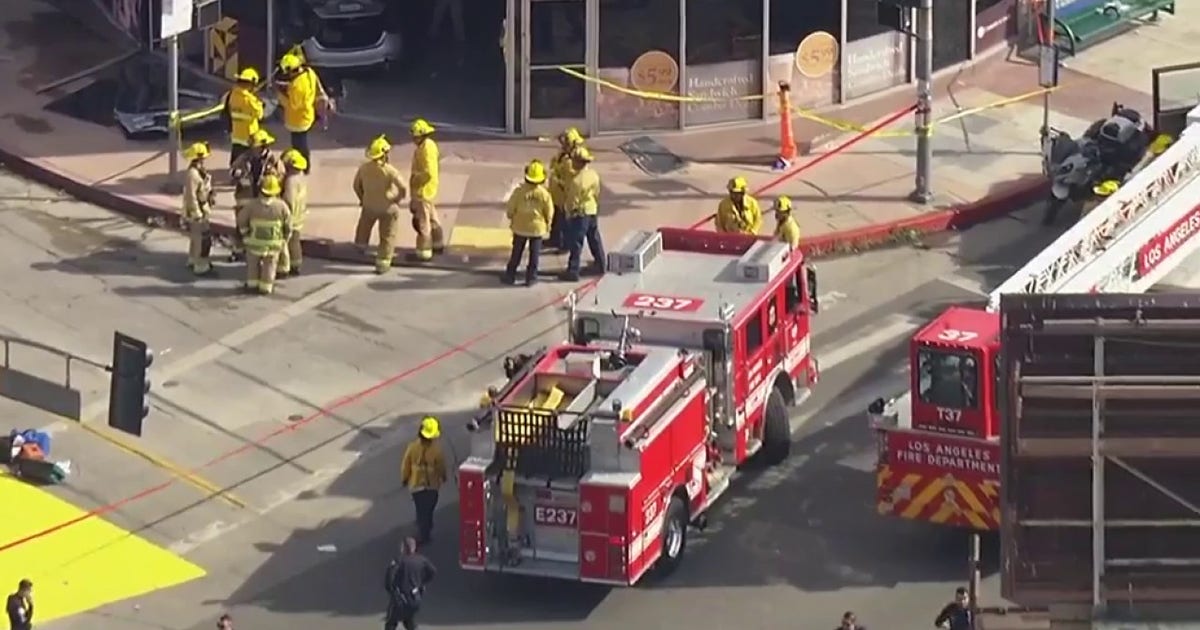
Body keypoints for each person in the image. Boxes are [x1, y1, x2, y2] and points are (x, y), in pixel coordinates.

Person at [353, 135, 408, 274]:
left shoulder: (363, 168)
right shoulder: (390, 170)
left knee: (364, 226)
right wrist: (396, 199)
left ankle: (360, 246)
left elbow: (356, 185)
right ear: (384, 154)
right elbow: (403, 188)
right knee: (388, 235)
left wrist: (363, 198)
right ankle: (383, 262)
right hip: (387, 207)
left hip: (369, 205)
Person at [230, 129, 285, 262]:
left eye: (255, 147)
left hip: (263, 198)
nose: (253, 149)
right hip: (245, 198)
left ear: (263, 146)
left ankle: (260, 254)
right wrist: (239, 175)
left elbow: (281, 176)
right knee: (241, 225)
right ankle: (238, 251)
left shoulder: (273, 160)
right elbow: (233, 172)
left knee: (261, 226)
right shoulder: (244, 158)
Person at [238, 174, 292, 295]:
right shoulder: (281, 206)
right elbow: (288, 225)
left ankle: (252, 285)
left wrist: (245, 233)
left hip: (254, 243)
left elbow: (241, 219)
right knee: (270, 266)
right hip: (273, 244)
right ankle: (266, 287)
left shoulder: (252, 205)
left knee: (253, 265)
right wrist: (285, 238)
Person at [502, 160, 554, 286]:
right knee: (534, 255)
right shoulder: (544, 194)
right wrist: (548, 223)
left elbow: (510, 208)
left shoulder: (519, 192)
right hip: (537, 229)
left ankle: (510, 275)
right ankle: (531, 278)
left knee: (517, 252)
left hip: (520, 227)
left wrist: (511, 217)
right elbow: (549, 211)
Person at [559, 147, 604, 282]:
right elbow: (596, 192)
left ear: (578, 162)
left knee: (576, 242)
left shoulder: (576, 181)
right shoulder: (593, 175)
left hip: (580, 213)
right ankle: (601, 264)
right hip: (592, 210)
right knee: (594, 237)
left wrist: (568, 213)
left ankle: (573, 271)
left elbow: (572, 200)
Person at [401, 416, 447, 545]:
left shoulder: (412, 447)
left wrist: (404, 478)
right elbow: (441, 467)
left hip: (416, 485)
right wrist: (443, 476)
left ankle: (423, 527)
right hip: (432, 486)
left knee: (421, 508)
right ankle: (425, 530)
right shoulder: (437, 450)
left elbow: (406, 465)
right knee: (428, 509)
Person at [408, 119, 445, 263]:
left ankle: (424, 252)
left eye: (415, 136)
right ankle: (438, 244)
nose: (413, 139)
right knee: (433, 218)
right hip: (428, 190)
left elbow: (427, 172)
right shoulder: (429, 146)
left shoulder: (425, 149)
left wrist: (415, 180)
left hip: (423, 191)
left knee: (423, 223)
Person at [275, 53, 319, 173]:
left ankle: (303, 166)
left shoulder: (297, 87)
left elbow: (293, 105)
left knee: (299, 144)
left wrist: (280, 95)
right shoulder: (309, 72)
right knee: (301, 142)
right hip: (307, 114)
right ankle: (304, 165)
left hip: (298, 120)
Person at [383, 537, 437, 630]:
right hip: (415, 598)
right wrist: (421, 583)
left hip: (400, 599)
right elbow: (433, 571)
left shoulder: (399, 560)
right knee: (409, 620)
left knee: (391, 623)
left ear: (403, 548)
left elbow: (389, 576)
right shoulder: (421, 560)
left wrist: (391, 590)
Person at [181, 141, 217, 276]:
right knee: (201, 239)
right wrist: (197, 213)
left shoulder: (199, 171)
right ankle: (200, 265)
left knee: (196, 237)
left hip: (202, 207)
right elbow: (191, 196)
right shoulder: (193, 174)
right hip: (197, 210)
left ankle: (193, 259)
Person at [547, 127, 584, 250]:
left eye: (565, 141)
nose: (562, 144)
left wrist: (559, 180)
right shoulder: (563, 154)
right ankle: (554, 239)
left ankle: (565, 245)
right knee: (557, 219)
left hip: (564, 194)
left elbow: (572, 177)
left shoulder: (574, 157)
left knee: (565, 223)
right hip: (556, 193)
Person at [277, 149, 309, 277]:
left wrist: (283, 213)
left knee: (284, 243)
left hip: (291, 216)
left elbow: (288, 200)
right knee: (295, 242)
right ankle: (296, 264)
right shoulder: (301, 178)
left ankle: (283, 268)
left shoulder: (290, 181)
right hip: (299, 215)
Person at [225, 67, 264, 168]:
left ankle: (234, 173)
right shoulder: (250, 99)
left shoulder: (232, 94)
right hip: (249, 134)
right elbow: (259, 115)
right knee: (253, 159)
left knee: (236, 155)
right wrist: (259, 102)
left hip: (236, 132)